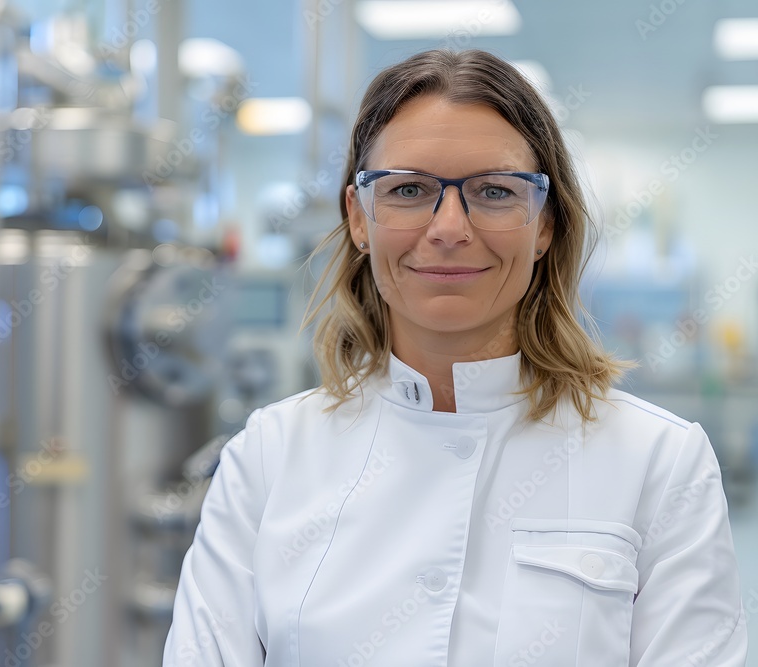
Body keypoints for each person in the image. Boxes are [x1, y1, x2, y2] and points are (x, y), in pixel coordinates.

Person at [162, 49, 747, 666]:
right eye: (409, 190)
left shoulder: (658, 463)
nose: (448, 228)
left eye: (494, 191)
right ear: (359, 220)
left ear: (544, 225)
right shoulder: (269, 457)